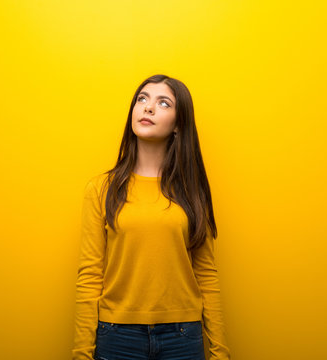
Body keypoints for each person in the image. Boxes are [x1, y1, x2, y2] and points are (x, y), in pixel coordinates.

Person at [72, 74, 231, 360]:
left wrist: (220, 352)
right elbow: (90, 275)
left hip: (182, 337)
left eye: (163, 103)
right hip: (116, 334)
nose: (148, 107)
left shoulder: (191, 192)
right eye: (142, 99)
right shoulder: (100, 189)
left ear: (179, 125)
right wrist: (82, 352)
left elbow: (207, 275)